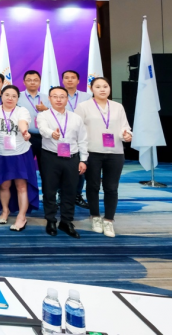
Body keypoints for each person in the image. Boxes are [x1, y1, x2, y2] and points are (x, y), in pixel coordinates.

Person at [75, 77, 132, 237]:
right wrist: (81, 155)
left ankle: (108, 220)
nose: (102, 89)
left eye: (105, 86)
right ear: (91, 88)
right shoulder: (83, 106)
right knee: (93, 186)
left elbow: (124, 127)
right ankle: (95, 216)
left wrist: (127, 134)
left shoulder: (117, 106)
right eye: (98, 86)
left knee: (111, 188)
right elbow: (77, 130)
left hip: (115, 153)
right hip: (92, 152)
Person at [37, 86, 89, 239]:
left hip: (72, 158)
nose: (58, 99)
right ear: (49, 99)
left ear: (67, 99)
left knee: (70, 190)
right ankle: (51, 220)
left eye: (62, 96)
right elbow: (42, 129)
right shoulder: (43, 115)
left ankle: (66, 221)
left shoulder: (75, 118)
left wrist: (83, 160)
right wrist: (52, 133)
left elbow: (83, 140)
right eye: (55, 96)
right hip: (50, 157)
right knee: (49, 190)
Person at [0, 85, 39, 232]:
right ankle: (5, 210)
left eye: (14, 96)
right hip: (1, 152)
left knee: (21, 186)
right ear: (1, 96)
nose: (10, 98)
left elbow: (22, 122)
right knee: (4, 185)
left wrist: (24, 132)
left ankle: (21, 216)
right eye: (7, 95)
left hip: (20, 152)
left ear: (18, 98)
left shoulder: (22, 110)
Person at [62, 70, 93, 209]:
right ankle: (61, 196)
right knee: (62, 168)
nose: (70, 80)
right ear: (62, 80)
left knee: (81, 168)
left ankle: (77, 195)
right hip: (63, 138)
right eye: (66, 78)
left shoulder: (87, 97)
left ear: (78, 81)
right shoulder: (57, 95)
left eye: (73, 78)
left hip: (82, 136)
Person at [18, 70, 49, 174]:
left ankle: (46, 185)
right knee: (25, 167)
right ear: (24, 82)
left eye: (35, 80)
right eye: (29, 80)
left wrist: (46, 109)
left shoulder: (47, 97)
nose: (32, 82)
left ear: (40, 82)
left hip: (44, 137)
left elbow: (55, 115)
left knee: (46, 168)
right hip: (25, 136)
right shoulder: (18, 97)